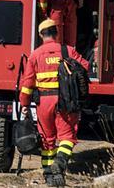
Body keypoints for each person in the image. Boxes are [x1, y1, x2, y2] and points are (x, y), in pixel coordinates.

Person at [19, 18, 90, 187]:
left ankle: (50, 176)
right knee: (67, 138)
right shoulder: (68, 50)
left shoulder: (35, 55)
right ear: (56, 33)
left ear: (40, 35)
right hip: (65, 102)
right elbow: (85, 67)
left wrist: (24, 105)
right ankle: (60, 162)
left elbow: (27, 84)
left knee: (47, 141)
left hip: (44, 103)